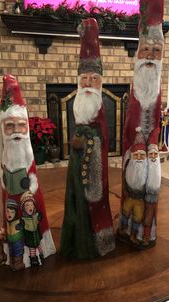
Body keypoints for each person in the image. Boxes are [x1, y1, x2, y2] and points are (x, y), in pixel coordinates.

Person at [60, 18, 115, 259]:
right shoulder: (79, 103)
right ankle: (75, 240)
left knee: (96, 201)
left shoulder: (100, 104)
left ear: (101, 81)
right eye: (84, 78)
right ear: (78, 81)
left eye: (94, 78)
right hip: (76, 162)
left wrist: (89, 140)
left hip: (95, 166)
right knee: (76, 200)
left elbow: (102, 134)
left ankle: (95, 243)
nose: (89, 82)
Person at [0, 74, 56, 270]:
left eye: (21, 125)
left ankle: (36, 252)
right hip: (12, 209)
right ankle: (17, 257)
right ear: (3, 128)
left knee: (33, 226)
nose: (17, 131)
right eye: (10, 126)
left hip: (30, 205)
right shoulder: (6, 157)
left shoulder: (28, 156)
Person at [117, 0, 164, 249]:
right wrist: (136, 142)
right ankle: (126, 229)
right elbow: (129, 123)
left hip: (151, 147)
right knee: (132, 187)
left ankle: (146, 232)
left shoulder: (157, 88)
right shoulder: (136, 88)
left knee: (152, 186)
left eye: (156, 51)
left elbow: (157, 121)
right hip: (133, 148)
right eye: (145, 49)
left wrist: (153, 141)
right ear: (138, 53)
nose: (150, 56)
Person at [20, 191, 44, 267]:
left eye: (31, 205)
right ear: (24, 208)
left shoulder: (36, 215)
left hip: (37, 236)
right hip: (30, 238)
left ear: (34, 207)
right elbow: (21, 227)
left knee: (39, 246)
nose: (30, 207)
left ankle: (41, 255)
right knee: (32, 249)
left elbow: (40, 218)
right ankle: (33, 259)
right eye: (27, 205)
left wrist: (40, 215)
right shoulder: (24, 219)